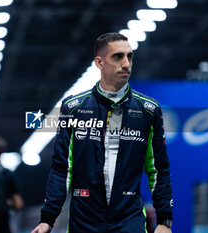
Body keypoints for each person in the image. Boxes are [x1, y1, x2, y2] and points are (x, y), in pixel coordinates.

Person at [32, 32, 173, 233]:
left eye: (130, 56)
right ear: (99, 63)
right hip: (84, 219)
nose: (126, 64)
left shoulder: (149, 111)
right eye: (118, 57)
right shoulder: (73, 108)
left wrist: (164, 220)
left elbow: (158, 168)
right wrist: (48, 218)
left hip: (129, 218)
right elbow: (62, 168)